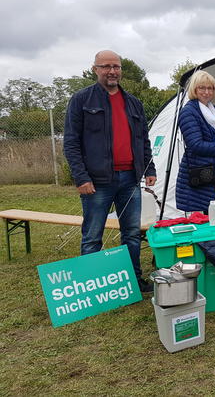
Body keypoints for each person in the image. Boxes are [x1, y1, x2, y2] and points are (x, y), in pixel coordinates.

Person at [63, 50, 156, 293]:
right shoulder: (82, 100)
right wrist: (80, 177)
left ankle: (133, 280)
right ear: (95, 69)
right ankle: (91, 287)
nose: (112, 71)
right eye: (105, 66)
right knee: (93, 235)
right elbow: (71, 142)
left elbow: (143, 140)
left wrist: (149, 167)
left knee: (132, 234)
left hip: (130, 179)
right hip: (96, 181)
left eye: (116, 66)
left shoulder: (133, 103)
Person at [176, 70, 215, 213]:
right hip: (200, 172)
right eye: (202, 88)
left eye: (210, 88)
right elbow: (196, 145)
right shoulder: (189, 112)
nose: (206, 92)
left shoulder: (214, 111)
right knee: (206, 219)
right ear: (194, 89)